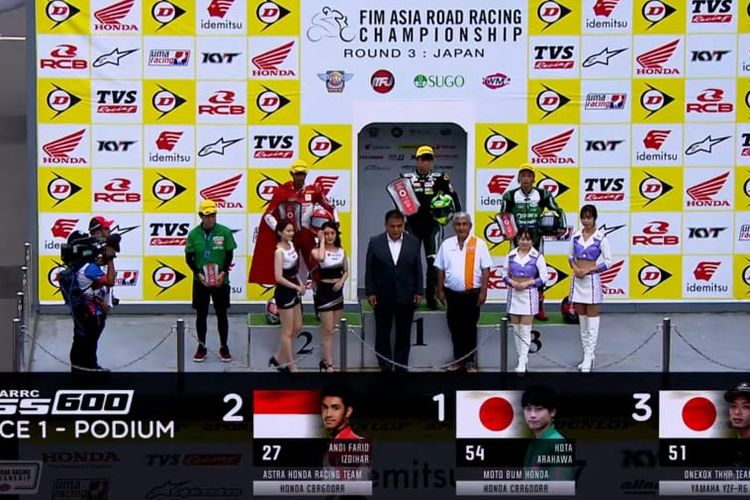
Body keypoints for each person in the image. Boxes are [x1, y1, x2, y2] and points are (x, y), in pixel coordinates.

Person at [249, 159, 338, 285]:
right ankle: (292, 295)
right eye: (297, 174)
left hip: (307, 235)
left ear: (306, 174)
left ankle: (319, 294)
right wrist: (280, 230)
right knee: (289, 269)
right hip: (291, 237)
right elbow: (268, 215)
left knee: (316, 268)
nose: (300, 177)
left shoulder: (314, 190)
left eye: (302, 174)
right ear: (291, 174)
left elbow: (330, 207)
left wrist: (336, 223)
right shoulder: (283, 191)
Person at [497, 163, 566, 321]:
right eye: (523, 175)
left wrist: (560, 226)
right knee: (514, 271)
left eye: (529, 176)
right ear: (519, 178)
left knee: (538, 272)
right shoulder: (509, 195)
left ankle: (538, 308)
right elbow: (503, 216)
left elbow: (557, 210)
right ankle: (513, 308)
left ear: (534, 178)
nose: (526, 179)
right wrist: (505, 231)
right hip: (517, 239)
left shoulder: (543, 194)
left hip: (536, 238)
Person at [400, 145, 461, 309]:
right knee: (410, 260)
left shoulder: (440, 178)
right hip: (412, 225)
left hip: (432, 226)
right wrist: (401, 222)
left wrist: (456, 217)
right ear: (417, 160)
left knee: (433, 261)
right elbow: (398, 202)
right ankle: (411, 296)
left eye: (429, 159)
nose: (426, 163)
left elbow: (453, 197)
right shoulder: (405, 178)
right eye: (423, 159)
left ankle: (431, 297)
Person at [365, 210, 422, 372]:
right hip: (382, 295)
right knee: (382, 333)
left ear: (404, 225)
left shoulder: (413, 242)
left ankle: (401, 365)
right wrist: (370, 292)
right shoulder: (375, 242)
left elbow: (417, 268)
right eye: (392, 226)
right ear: (386, 225)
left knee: (404, 333)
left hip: (407, 295)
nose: (396, 229)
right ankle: (385, 365)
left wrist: (418, 291)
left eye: (399, 226)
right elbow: (370, 269)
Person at [434, 212, 492, 372]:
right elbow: (440, 269)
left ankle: (470, 361)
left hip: (472, 294)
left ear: (470, 226)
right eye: (458, 224)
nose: (461, 227)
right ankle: (458, 360)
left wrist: (483, 292)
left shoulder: (479, 244)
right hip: (452, 295)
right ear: (453, 226)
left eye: (464, 224)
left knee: (470, 328)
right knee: (454, 328)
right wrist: (440, 290)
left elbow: (486, 270)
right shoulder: (446, 244)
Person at [185, 199, 237, 363]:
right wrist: (198, 273)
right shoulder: (193, 234)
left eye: (213, 215)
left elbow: (229, 255)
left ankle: (224, 346)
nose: (210, 219)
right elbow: (189, 258)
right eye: (207, 216)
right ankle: (201, 347)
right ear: (201, 216)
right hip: (200, 281)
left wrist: (223, 272)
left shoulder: (225, 232)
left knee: (222, 314)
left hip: (221, 280)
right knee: (201, 315)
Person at [568, 204, 612, 373]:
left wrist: (588, 270)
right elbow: (570, 257)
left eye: (589, 217)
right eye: (583, 217)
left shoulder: (601, 237)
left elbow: (608, 262)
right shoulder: (575, 236)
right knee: (582, 320)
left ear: (594, 218)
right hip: (578, 281)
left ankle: (589, 355)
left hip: (592, 281)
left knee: (592, 321)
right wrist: (576, 269)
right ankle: (587, 354)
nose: (586, 221)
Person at [67, 225, 116, 372]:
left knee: (80, 341)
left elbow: (97, 264)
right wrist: (111, 260)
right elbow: (110, 281)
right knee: (89, 343)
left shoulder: (77, 266)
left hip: (81, 311)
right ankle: (89, 370)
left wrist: (104, 257)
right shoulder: (89, 268)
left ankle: (78, 369)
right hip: (93, 314)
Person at [503, 228, 549, 373]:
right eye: (522, 239)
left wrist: (528, 283)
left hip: (529, 295)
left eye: (528, 239)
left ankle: (523, 360)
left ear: (532, 241)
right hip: (514, 294)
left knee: (525, 329)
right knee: (516, 329)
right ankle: (521, 358)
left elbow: (544, 277)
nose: (524, 242)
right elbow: (504, 274)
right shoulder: (510, 255)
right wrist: (512, 282)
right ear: (517, 240)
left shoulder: (537, 256)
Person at [311, 221, 349, 373]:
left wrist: (341, 282)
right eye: (326, 233)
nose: (329, 236)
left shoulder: (341, 251)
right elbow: (320, 258)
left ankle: (325, 359)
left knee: (333, 329)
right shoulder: (316, 251)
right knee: (326, 331)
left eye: (332, 233)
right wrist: (321, 240)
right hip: (324, 292)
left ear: (336, 234)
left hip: (337, 292)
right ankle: (329, 365)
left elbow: (346, 271)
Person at [270, 220, 305, 373]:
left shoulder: (291, 245)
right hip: (284, 292)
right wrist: (295, 286)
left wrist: (300, 283)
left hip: (294, 289)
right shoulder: (278, 252)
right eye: (288, 231)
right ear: (280, 232)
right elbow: (278, 277)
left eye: (292, 231)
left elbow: (294, 270)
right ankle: (291, 365)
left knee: (298, 326)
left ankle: (278, 357)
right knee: (287, 331)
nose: (291, 233)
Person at [522, 385, 573, 480]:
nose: (532, 415)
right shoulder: (535, 441)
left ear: (552, 412)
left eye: (539, 409)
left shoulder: (557, 443)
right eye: (528, 409)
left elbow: (559, 485)